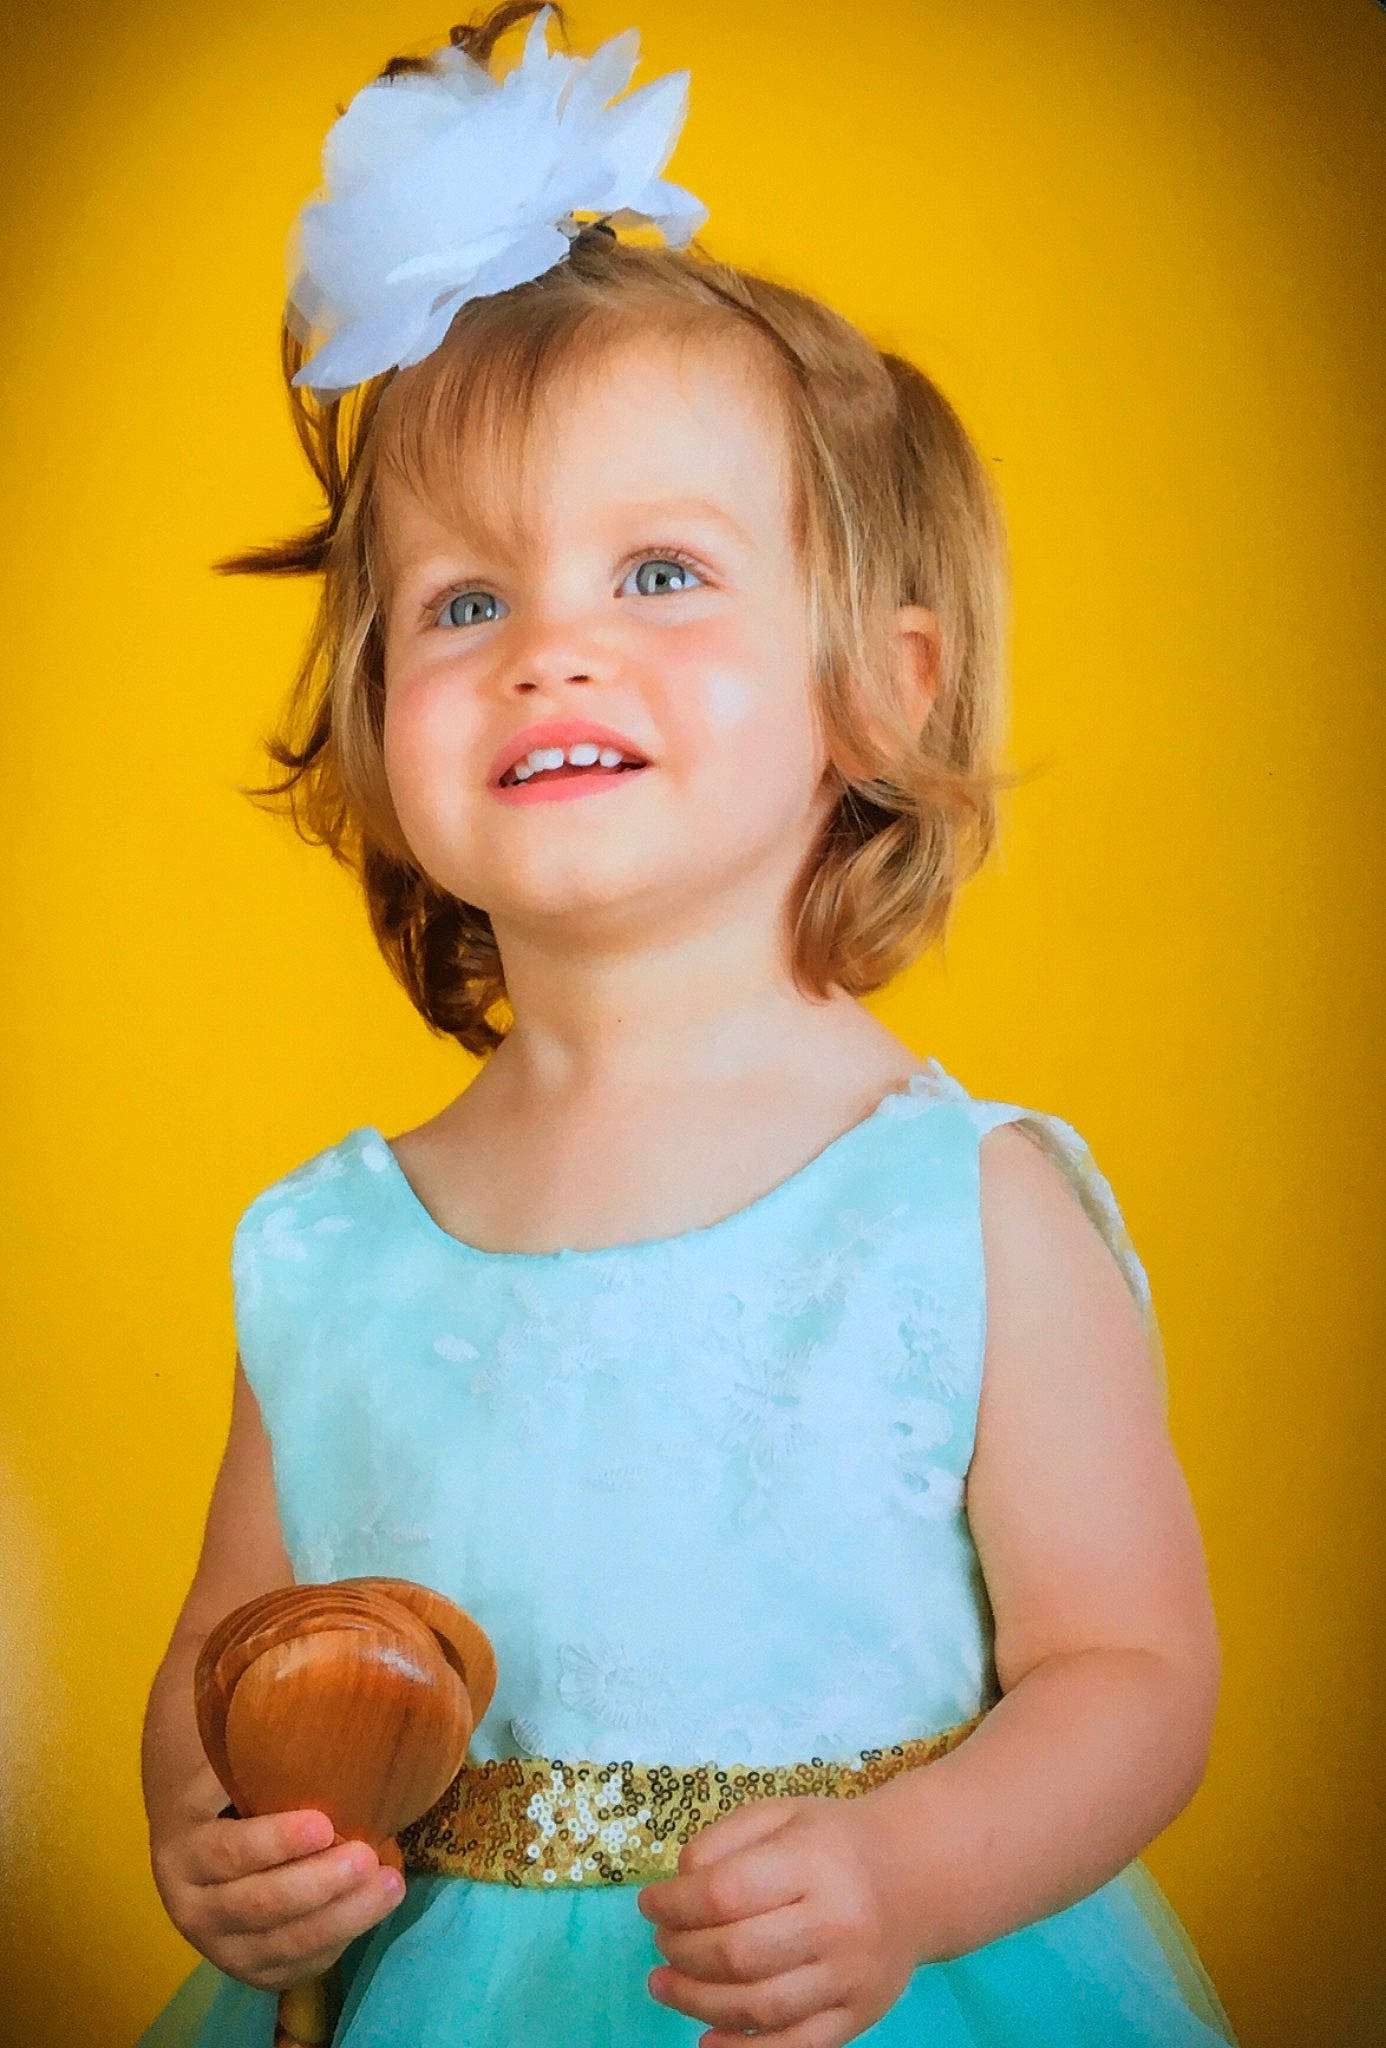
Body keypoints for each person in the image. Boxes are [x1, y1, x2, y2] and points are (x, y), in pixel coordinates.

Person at [135, 4, 1241, 2043]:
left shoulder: (965, 1206)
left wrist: (908, 1874)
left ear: (877, 691)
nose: (552, 642)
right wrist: (215, 1837)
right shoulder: (328, 1249)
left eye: (659, 569)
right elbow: (229, 1652)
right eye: (465, 603)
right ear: (379, 718)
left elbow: (1134, 1673)